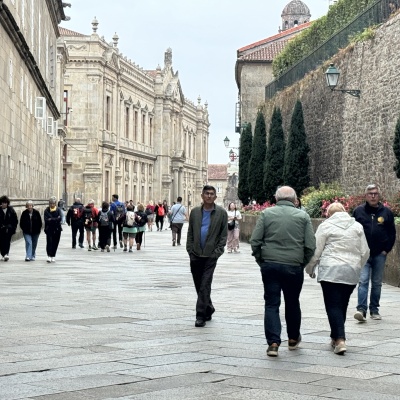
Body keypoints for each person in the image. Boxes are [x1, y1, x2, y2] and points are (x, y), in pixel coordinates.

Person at [250, 186, 316, 357]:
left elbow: (255, 241)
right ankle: (293, 338)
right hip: (293, 265)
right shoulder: (303, 216)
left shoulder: (266, 214)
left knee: (272, 303)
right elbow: (310, 245)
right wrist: (301, 262)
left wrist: (261, 260)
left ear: (276, 199)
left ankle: (273, 343)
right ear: (295, 200)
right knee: (293, 301)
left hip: (270, 264)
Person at [305, 203, 369, 355]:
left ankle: (340, 339)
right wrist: (358, 266)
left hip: (330, 270)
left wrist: (310, 268)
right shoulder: (357, 227)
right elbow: (365, 251)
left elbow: (316, 250)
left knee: (332, 305)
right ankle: (335, 337)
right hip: (351, 270)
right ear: (344, 212)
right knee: (342, 304)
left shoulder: (325, 226)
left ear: (328, 214)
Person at [353, 184, 396, 322]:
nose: (373, 196)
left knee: (377, 283)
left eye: (375, 193)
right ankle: (361, 309)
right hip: (364, 253)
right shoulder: (358, 211)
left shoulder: (386, 212)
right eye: (370, 193)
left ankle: (374, 309)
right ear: (366, 195)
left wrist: (386, 250)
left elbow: (392, 233)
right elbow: (352, 231)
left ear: (379, 195)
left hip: (379, 254)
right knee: (363, 280)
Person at [186, 185, 228, 328]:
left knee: (205, 284)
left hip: (211, 255)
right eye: (207, 194)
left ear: (215, 197)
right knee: (199, 284)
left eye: (212, 194)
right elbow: (190, 232)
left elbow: (223, 235)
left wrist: (217, 252)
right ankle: (208, 308)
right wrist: (190, 250)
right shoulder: (195, 212)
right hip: (196, 253)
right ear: (202, 196)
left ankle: (200, 315)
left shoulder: (221, 213)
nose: (209, 196)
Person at [44, 197, 63, 263]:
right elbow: (46, 220)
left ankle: (53, 255)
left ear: (55, 204)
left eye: (53, 203)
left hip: (57, 229)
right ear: (49, 204)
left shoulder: (58, 210)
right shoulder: (46, 210)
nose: (52, 205)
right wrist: (55, 219)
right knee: (49, 242)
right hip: (49, 229)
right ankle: (49, 255)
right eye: (51, 203)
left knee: (55, 242)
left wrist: (51, 219)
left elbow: (60, 218)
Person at [0, 195, 18, 261]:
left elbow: (15, 219)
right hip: (1, 229)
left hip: (8, 229)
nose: (4, 204)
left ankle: (6, 254)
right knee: (1, 242)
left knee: (7, 241)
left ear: (7, 203)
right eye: (2, 203)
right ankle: (3, 254)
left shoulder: (11, 210)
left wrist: (13, 227)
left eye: (5, 203)